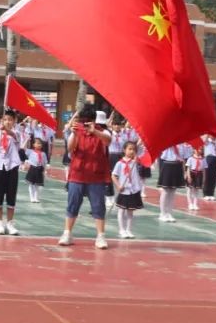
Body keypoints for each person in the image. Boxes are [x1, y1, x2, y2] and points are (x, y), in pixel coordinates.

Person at [59, 106, 112, 250]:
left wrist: (94, 131)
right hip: (77, 175)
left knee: (98, 206)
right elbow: (70, 148)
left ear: (94, 121)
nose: (85, 124)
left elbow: (108, 141)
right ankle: (67, 233)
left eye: (88, 121)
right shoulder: (77, 131)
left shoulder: (102, 131)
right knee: (73, 204)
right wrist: (74, 133)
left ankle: (101, 236)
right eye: (83, 121)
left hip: (96, 176)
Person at [0, 109, 21, 235]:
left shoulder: (16, 133)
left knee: (11, 196)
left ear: (14, 121)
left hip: (12, 168)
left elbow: (14, 136)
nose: (8, 122)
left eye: (10, 120)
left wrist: (6, 131)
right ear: (2, 120)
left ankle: (10, 223)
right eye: (6, 119)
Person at [112, 140, 143, 240]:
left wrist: (140, 142)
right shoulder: (119, 164)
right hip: (124, 190)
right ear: (124, 150)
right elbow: (113, 175)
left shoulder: (135, 162)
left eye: (133, 149)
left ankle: (129, 230)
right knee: (121, 210)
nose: (132, 151)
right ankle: (121, 230)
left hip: (133, 190)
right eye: (129, 149)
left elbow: (140, 151)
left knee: (130, 211)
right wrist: (118, 186)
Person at [156, 144, 184, 223]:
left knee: (173, 191)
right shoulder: (166, 143)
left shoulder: (180, 144)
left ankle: (169, 213)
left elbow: (183, 155)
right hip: (167, 165)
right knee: (165, 191)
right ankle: (162, 213)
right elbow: (162, 155)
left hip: (177, 165)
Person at [24, 138, 47, 204]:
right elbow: (23, 148)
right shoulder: (31, 152)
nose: (39, 145)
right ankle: (32, 198)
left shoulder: (43, 154)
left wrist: (44, 171)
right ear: (34, 145)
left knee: (37, 185)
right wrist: (26, 140)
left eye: (40, 143)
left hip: (39, 170)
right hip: (32, 169)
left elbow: (44, 163)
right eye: (37, 143)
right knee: (31, 184)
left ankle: (36, 197)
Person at [185, 147, 206, 212]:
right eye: (196, 149)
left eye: (200, 149)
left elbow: (204, 170)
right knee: (189, 189)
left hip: (199, 174)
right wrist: (189, 176)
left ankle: (195, 204)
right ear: (194, 150)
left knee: (196, 190)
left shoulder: (203, 159)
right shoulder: (190, 158)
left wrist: (204, 178)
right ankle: (190, 204)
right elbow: (188, 168)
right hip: (192, 174)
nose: (198, 151)